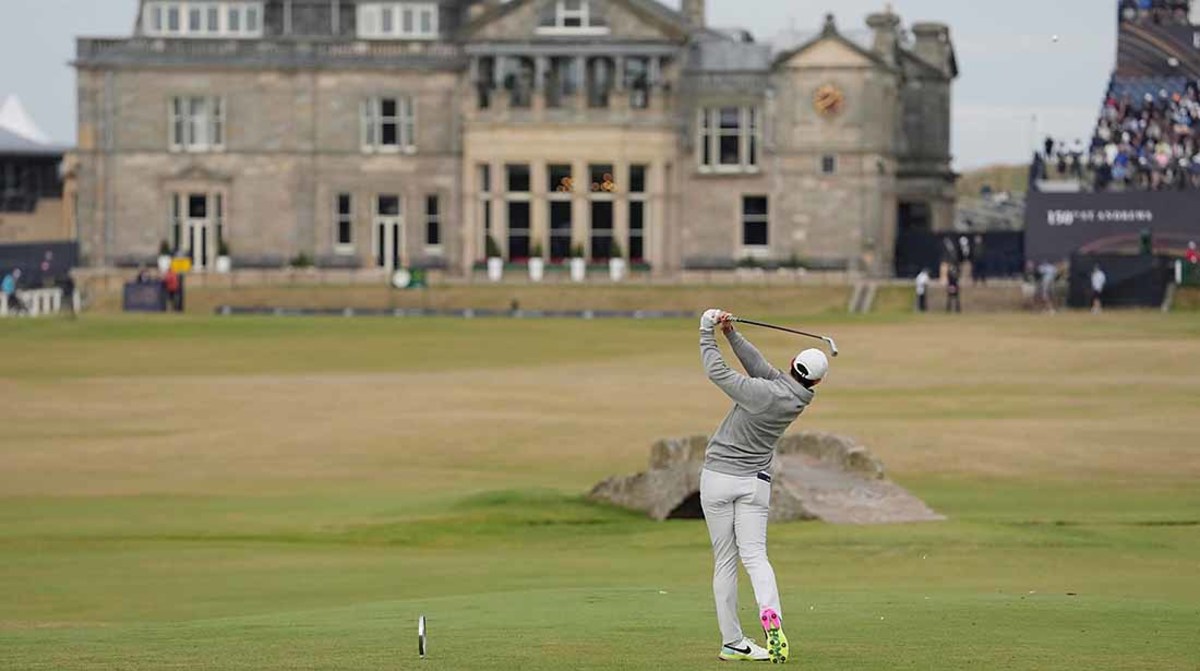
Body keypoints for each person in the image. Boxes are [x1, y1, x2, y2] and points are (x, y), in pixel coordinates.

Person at [698, 309, 829, 664]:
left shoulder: (761, 393)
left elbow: (716, 372)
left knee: (725, 561)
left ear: (792, 363)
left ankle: (733, 642)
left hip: (717, 478)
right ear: (815, 382)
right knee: (755, 556)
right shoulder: (796, 397)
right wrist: (731, 335)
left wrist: (705, 330)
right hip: (754, 484)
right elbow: (760, 367)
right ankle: (771, 614)